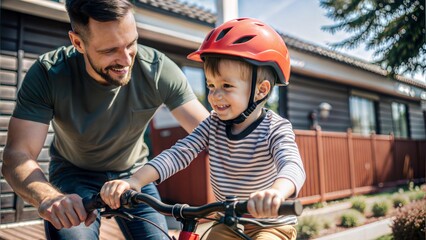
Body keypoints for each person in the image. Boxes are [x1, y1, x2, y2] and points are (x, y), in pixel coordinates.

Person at [1, 0, 209, 239]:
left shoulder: (158, 69)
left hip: (133, 175)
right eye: (110, 50)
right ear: (78, 42)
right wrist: (50, 197)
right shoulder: (49, 73)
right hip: (74, 176)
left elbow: (211, 133)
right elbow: (17, 155)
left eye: (131, 44)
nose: (127, 59)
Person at [101, 18, 306, 240]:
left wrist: (276, 193)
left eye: (226, 86)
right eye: (211, 85)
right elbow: (179, 154)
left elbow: (292, 165)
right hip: (228, 223)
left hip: (270, 226)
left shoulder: (275, 129)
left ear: (261, 90)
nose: (215, 95)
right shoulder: (212, 125)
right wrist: (135, 181)